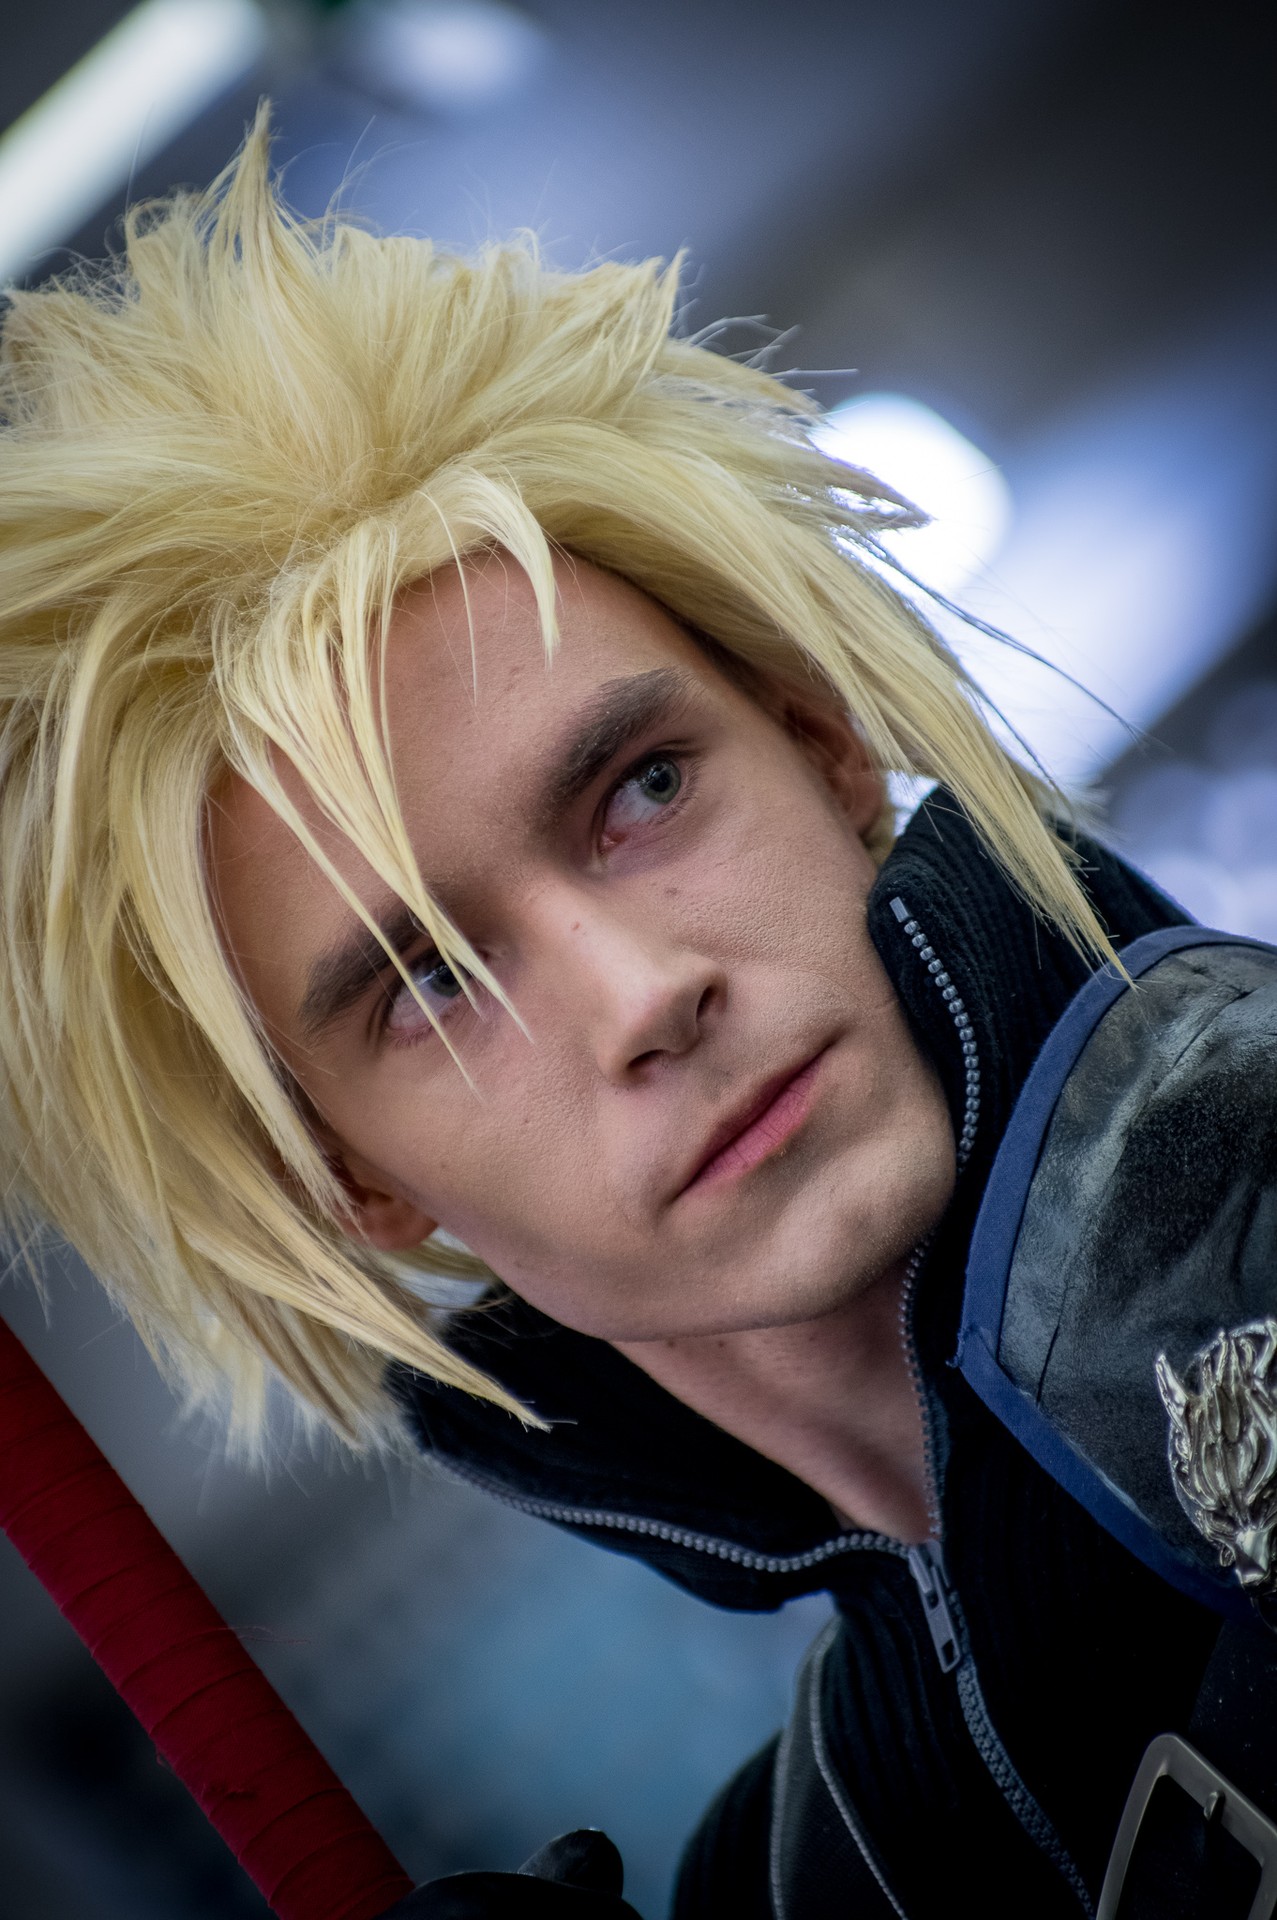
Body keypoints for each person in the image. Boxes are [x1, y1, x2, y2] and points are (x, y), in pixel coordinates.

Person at [3, 110, 1275, 1919]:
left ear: (821, 743)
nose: (641, 996)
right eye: (430, 983)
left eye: (642, 790)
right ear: (351, 1181)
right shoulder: (827, 1871)